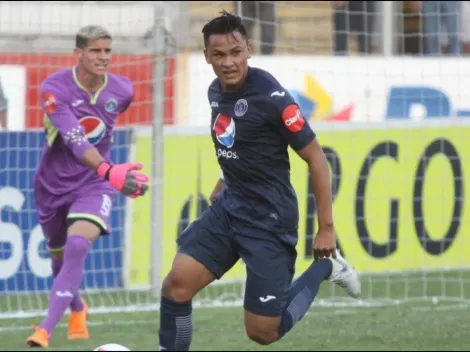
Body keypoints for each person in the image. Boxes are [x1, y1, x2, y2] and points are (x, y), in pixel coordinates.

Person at [158, 11, 361, 350]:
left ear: (249, 49)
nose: (228, 62)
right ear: (207, 56)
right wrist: (226, 178)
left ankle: (326, 269)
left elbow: (317, 160)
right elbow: (240, 140)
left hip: (269, 219)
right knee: (176, 286)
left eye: (235, 52)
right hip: (230, 208)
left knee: (262, 332)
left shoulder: (273, 98)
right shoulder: (214, 92)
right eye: (219, 55)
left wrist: (326, 228)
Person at [26, 25, 149, 348]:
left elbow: (101, 137)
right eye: (95, 51)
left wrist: (106, 176)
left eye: (107, 51)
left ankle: (44, 330)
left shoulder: (122, 90)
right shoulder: (54, 88)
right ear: (78, 53)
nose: (103, 57)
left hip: (93, 186)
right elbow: (75, 140)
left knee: (78, 246)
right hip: (52, 186)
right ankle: (77, 307)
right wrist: (111, 171)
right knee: (58, 256)